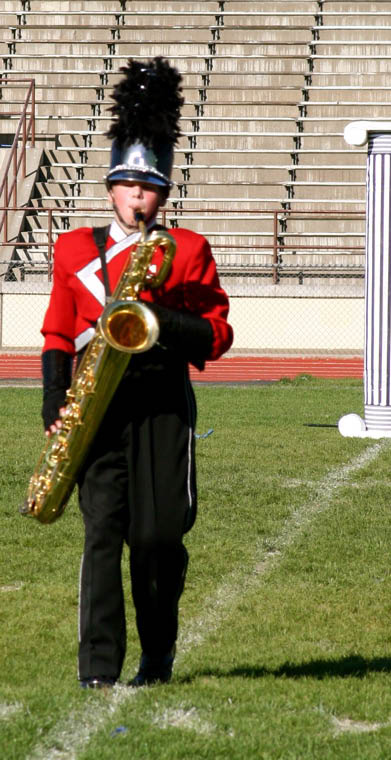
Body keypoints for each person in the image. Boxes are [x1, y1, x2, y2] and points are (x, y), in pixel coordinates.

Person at [40, 58, 233, 688]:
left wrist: (158, 318)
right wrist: (54, 403)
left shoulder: (188, 249)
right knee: (101, 538)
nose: (137, 197)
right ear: (110, 187)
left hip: (161, 407)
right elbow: (58, 332)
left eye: (149, 187)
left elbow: (218, 333)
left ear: (163, 194)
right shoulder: (73, 250)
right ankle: (97, 668)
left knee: (155, 540)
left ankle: (157, 653)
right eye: (127, 184)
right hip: (96, 409)